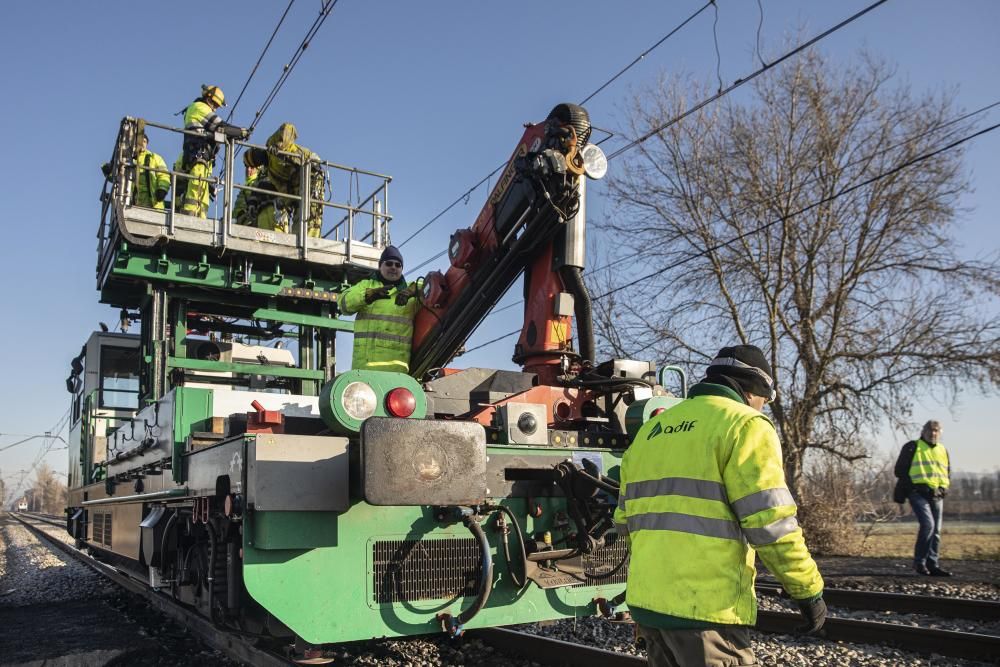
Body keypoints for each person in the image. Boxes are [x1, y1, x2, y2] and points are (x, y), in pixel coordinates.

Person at [614, 345, 826, 667]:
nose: (763, 407)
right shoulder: (745, 425)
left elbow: (624, 522)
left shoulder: (650, 432)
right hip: (706, 614)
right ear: (751, 389)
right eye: (764, 400)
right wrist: (807, 590)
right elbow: (771, 525)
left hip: (649, 608)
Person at [339, 246, 422, 373]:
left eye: (398, 265)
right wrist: (366, 296)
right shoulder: (366, 285)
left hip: (397, 370)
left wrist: (413, 290)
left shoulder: (411, 294)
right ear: (380, 266)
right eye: (389, 263)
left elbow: (430, 286)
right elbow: (344, 304)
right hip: (364, 368)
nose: (393, 267)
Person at [173, 84, 249, 218]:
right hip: (198, 156)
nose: (216, 108)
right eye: (215, 104)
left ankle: (200, 220)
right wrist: (240, 132)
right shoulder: (199, 107)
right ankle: (190, 220)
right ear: (209, 99)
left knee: (201, 194)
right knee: (195, 194)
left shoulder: (197, 109)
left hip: (202, 160)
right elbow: (220, 126)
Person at [243, 122, 326, 237]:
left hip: (310, 174)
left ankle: (309, 244)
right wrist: (253, 201)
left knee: (311, 216)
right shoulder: (269, 170)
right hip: (296, 183)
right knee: (300, 217)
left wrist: (280, 146)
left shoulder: (272, 144)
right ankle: (301, 243)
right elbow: (267, 186)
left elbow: (288, 127)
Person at [894, 420, 952, 576]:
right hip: (918, 493)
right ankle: (919, 563)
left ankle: (933, 564)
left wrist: (944, 488)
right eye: (930, 430)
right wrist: (912, 486)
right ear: (923, 431)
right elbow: (899, 470)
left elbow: (946, 472)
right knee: (928, 525)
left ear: (940, 432)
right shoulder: (913, 447)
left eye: (936, 430)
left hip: (937, 495)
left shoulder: (942, 450)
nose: (933, 433)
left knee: (937, 530)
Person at [102, 132, 170, 209]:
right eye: (141, 141)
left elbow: (164, 175)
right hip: (132, 205)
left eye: (145, 142)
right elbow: (117, 178)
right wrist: (107, 169)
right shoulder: (127, 159)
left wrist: (162, 189)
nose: (143, 144)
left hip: (154, 205)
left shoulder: (154, 158)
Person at [233, 161, 260, 227]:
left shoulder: (256, 184)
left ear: (257, 169)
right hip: (238, 222)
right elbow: (238, 208)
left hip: (246, 223)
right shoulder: (246, 185)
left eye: (252, 167)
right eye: (247, 167)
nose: (248, 169)